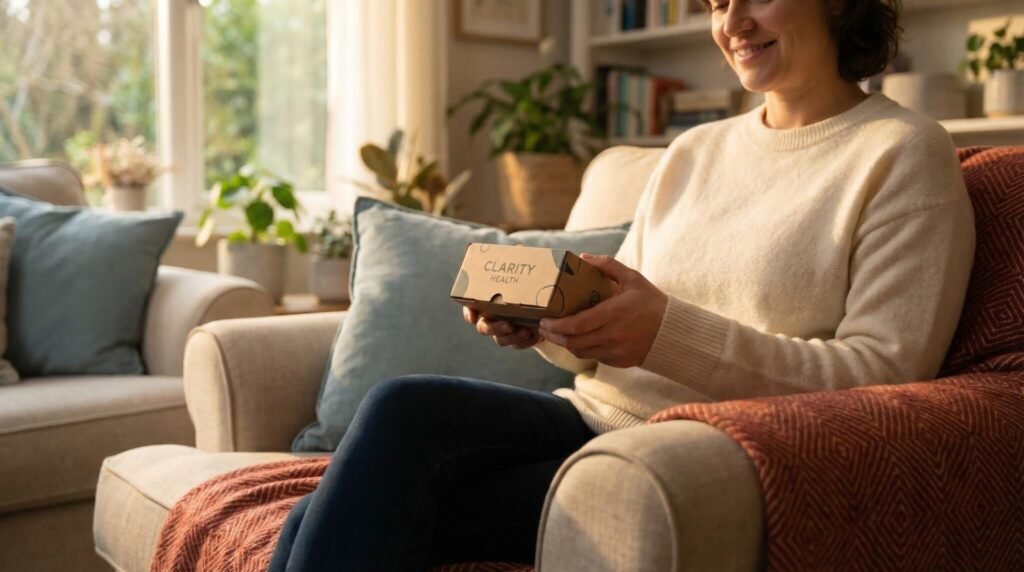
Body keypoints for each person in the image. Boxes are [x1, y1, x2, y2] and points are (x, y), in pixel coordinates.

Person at [269, 0, 975, 569]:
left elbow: (883, 376)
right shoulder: (695, 150)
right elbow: (617, 325)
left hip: (705, 454)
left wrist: (664, 333)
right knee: (401, 409)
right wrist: (547, 326)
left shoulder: (902, 152)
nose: (732, 23)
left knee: (333, 512)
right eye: (716, 3)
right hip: (592, 418)